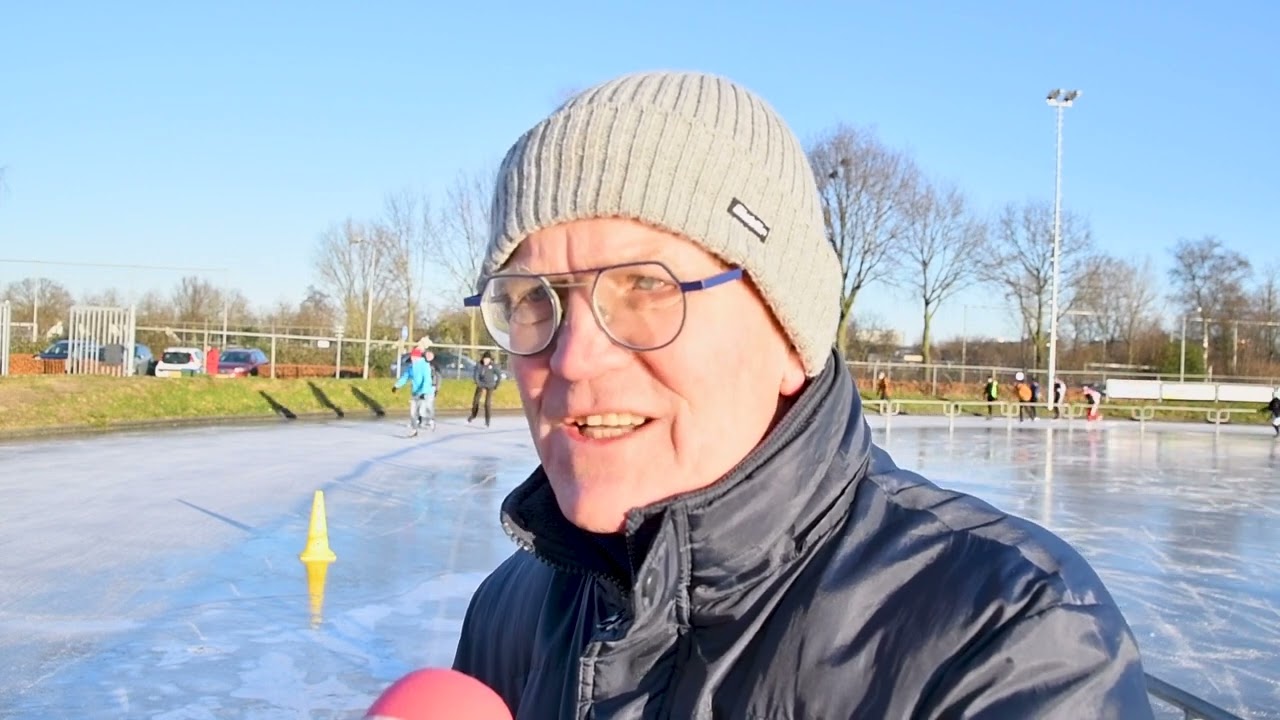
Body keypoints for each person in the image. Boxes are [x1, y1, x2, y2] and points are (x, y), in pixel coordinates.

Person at [452, 70, 1153, 718]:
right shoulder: (506, 614)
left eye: (647, 287)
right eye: (530, 298)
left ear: (791, 336)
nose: (573, 359)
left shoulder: (1010, 637)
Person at [391, 347, 435, 435]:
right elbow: (405, 377)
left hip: (425, 392)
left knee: (422, 411)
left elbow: (427, 380)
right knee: (412, 412)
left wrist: (423, 392)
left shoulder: (425, 366)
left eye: (414, 357)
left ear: (418, 357)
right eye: (412, 357)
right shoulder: (411, 366)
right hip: (415, 392)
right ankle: (414, 430)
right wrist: (396, 386)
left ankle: (430, 420)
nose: (412, 359)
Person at [468, 351, 502, 427]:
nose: (486, 361)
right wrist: (479, 384)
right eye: (485, 359)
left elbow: (499, 376)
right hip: (481, 384)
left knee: (487, 403)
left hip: (490, 385)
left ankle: (487, 421)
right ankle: (473, 415)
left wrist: (496, 385)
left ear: (490, 360)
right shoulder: (479, 365)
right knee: (476, 401)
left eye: (487, 359)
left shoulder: (493, 366)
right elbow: (476, 376)